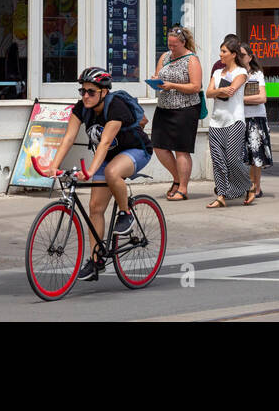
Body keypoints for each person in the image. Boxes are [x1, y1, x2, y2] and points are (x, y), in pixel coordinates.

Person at [46, 67, 152, 281]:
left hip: (136, 150)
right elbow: (68, 138)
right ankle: (96, 261)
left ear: (104, 92)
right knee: (95, 208)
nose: (85, 96)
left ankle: (126, 213)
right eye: (82, 91)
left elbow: (104, 143)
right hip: (107, 157)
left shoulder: (116, 107)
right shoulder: (81, 108)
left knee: (113, 172)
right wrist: (53, 165)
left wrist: (91, 171)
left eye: (91, 92)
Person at [150, 26, 202, 201]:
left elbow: (196, 86)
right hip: (164, 107)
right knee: (158, 145)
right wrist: (155, 81)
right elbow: (158, 75)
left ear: (183, 42)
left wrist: (172, 85)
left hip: (185, 109)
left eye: (174, 45)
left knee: (181, 150)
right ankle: (177, 178)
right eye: (169, 44)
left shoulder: (191, 59)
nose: (171, 48)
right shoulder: (165, 57)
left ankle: (183, 188)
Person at [205, 39, 254, 208]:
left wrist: (218, 91)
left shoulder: (241, 72)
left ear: (233, 55)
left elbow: (232, 91)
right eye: (220, 51)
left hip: (235, 121)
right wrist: (220, 90)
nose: (221, 55)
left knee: (232, 159)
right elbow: (208, 93)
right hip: (216, 122)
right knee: (218, 161)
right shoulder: (217, 73)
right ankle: (221, 195)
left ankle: (249, 185)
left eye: (224, 51)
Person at [239, 44, 271, 199]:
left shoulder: (256, 74)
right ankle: (246, 185)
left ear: (250, 57)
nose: (240, 57)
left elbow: (262, 98)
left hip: (256, 118)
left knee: (255, 154)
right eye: (237, 54)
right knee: (243, 154)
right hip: (239, 117)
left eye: (243, 55)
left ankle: (256, 187)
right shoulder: (235, 73)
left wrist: (240, 99)